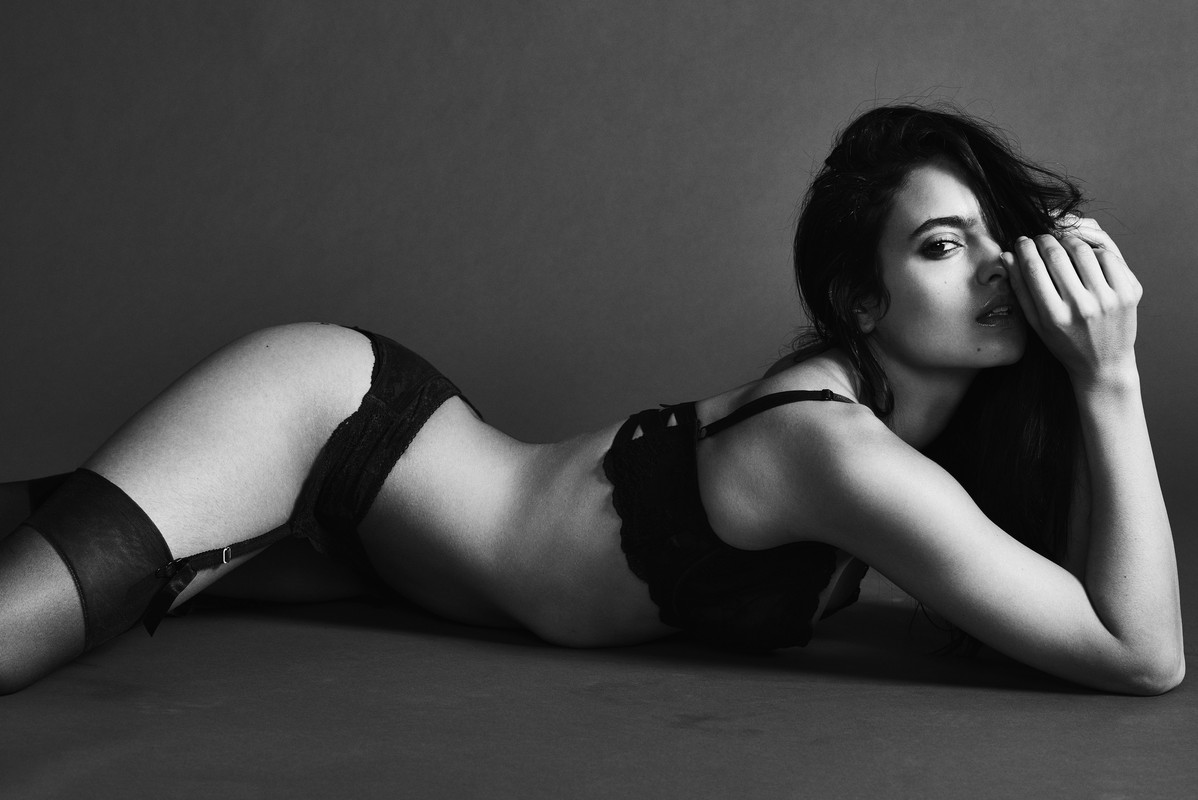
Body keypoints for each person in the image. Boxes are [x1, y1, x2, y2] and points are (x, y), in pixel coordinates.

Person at [0, 105, 1183, 695]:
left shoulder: (897, 444)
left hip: (386, 554)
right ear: (859, 302)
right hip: (330, 424)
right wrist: (1110, 376)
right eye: (939, 243)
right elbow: (1142, 652)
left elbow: (1098, 605)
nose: (993, 266)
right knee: (25, 619)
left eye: (994, 236)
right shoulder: (835, 450)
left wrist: (1079, 381)